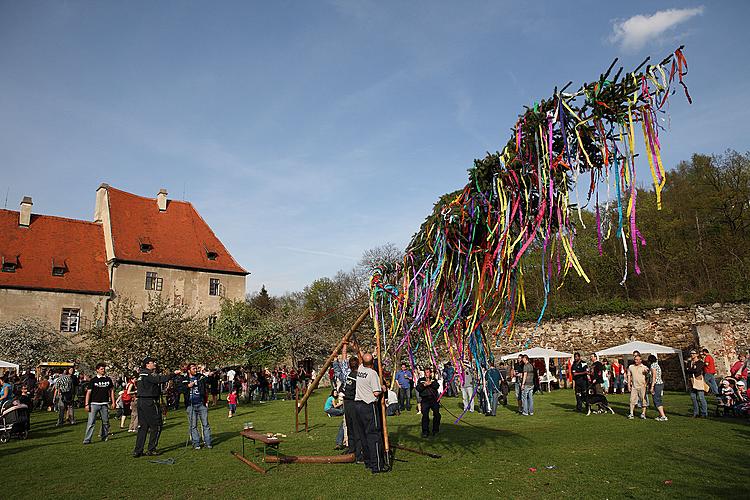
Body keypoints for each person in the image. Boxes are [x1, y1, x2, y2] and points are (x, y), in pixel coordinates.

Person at [132, 357, 179, 457]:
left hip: (141, 401)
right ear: (147, 364)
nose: (154, 364)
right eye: (152, 362)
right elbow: (160, 379)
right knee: (156, 425)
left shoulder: (141, 375)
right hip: (149, 402)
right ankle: (151, 449)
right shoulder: (148, 374)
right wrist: (173, 374)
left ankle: (138, 450)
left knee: (143, 427)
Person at [354, 353, 387, 473]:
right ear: (373, 363)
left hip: (357, 405)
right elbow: (376, 393)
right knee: (374, 435)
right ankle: (377, 465)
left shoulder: (360, 369)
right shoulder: (373, 374)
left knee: (363, 435)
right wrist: (383, 388)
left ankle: (368, 461)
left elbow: (361, 355)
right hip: (368, 406)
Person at [83, 363, 115, 444]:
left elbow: (111, 391)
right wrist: (86, 404)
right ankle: (87, 439)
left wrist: (113, 402)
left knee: (105, 422)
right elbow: (88, 393)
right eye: (101, 369)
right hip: (94, 404)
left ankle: (104, 437)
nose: (103, 370)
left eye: (104, 369)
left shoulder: (108, 379)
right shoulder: (93, 380)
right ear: (97, 370)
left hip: (104, 404)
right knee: (91, 423)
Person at [183, 363, 212, 450]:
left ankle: (208, 442)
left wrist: (208, 374)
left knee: (205, 424)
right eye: (193, 369)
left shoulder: (200, 377)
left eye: (196, 368)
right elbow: (179, 389)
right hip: (190, 405)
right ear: (189, 370)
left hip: (201, 404)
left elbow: (209, 381)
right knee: (193, 425)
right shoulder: (185, 378)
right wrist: (188, 386)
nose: (195, 370)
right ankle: (196, 443)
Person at [416, 367, 440, 437]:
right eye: (425, 372)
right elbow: (418, 388)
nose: (427, 374)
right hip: (425, 400)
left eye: (428, 372)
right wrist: (424, 385)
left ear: (430, 373)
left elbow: (437, 386)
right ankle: (425, 431)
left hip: (433, 399)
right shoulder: (421, 380)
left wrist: (431, 384)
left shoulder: (433, 380)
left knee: (437, 415)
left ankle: (435, 430)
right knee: (425, 416)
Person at [686, 349, 708, 418]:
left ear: (697, 354)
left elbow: (697, 370)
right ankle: (696, 412)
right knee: (693, 397)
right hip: (691, 381)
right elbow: (686, 370)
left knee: (701, 397)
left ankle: (704, 413)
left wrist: (690, 369)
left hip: (698, 380)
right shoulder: (689, 362)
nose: (692, 355)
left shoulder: (700, 362)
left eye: (693, 353)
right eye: (691, 353)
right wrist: (691, 369)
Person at [627, 354, 649, 420]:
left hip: (642, 386)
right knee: (632, 400)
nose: (636, 361)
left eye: (637, 360)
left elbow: (648, 376)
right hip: (634, 386)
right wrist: (628, 385)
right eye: (635, 359)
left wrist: (646, 383)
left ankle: (643, 413)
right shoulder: (631, 367)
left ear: (640, 360)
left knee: (643, 400)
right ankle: (631, 413)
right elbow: (629, 376)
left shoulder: (644, 367)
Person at [647, 354, 667, 421]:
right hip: (660, 383)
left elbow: (654, 377)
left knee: (656, 400)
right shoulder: (657, 365)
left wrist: (652, 386)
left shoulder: (653, 366)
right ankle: (661, 415)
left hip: (656, 384)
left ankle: (663, 416)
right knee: (658, 399)